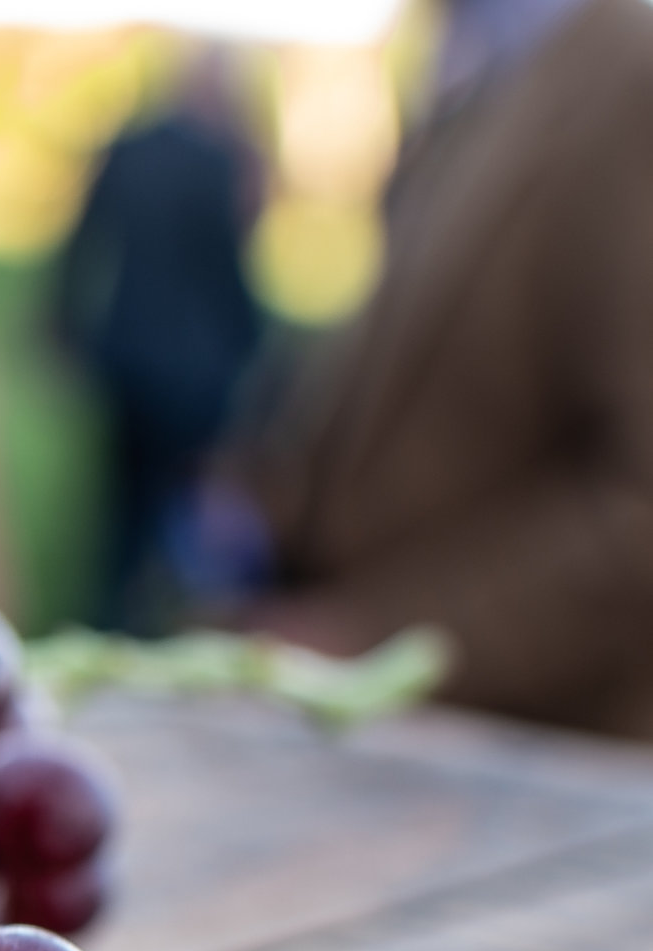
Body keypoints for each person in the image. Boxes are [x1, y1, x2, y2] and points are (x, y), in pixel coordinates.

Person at [246, 0, 653, 738]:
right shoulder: (486, 67)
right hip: (408, 753)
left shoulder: (633, 68)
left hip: (540, 769)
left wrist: (364, 642)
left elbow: (637, 507)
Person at [56, 49, 263, 632]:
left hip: (128, 359)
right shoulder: (220, 161)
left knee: (121, 517)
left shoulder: (131, 148)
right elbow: (231, 274)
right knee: (182, 517)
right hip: (197, 371)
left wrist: (65, 328)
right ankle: (164, 628)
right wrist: (255, 355)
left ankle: (113, 620)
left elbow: (82, 243)